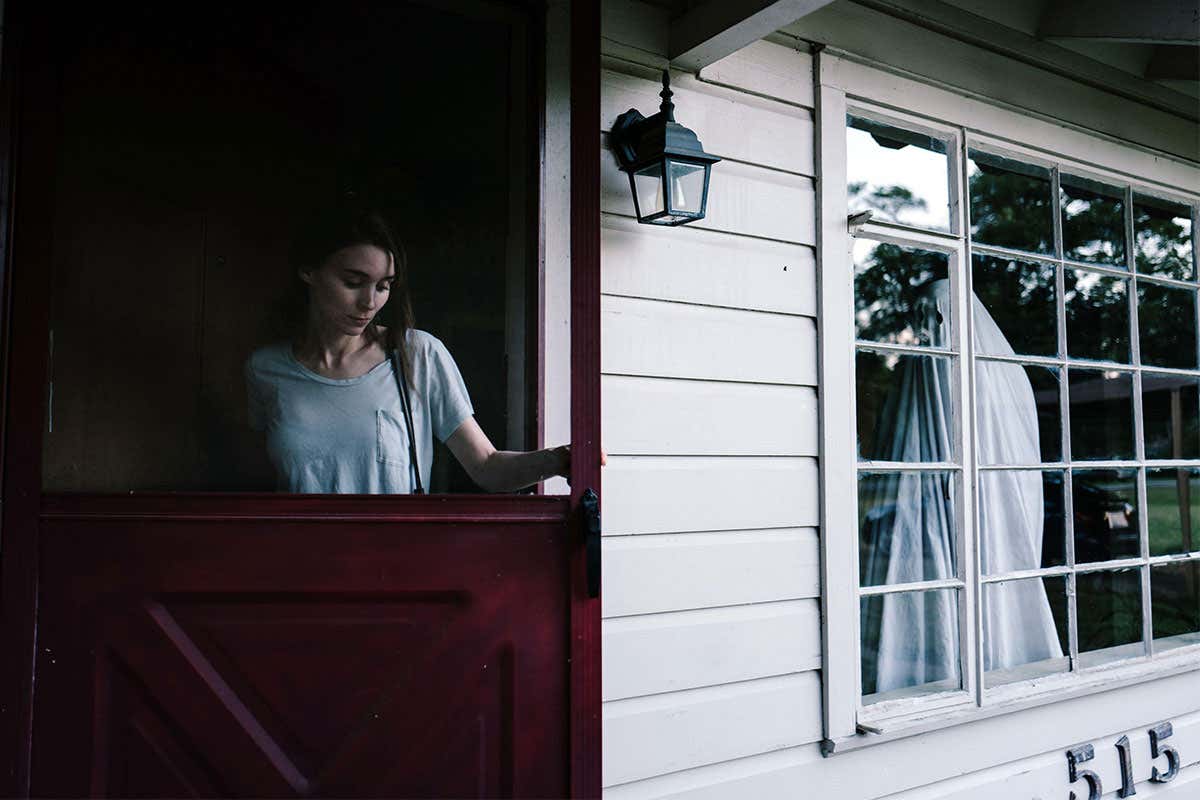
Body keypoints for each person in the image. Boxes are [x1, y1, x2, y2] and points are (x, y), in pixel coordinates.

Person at [245, 204, 578, 494]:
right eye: (353, 282)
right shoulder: (265, 370)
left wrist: (561, 459)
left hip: (394, 559)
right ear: (309, 271)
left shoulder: (418, 354)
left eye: (383, 286)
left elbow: (487, 466)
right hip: (299, 560)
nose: (369, 302)